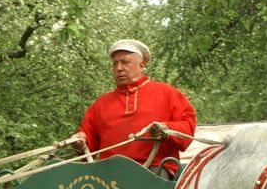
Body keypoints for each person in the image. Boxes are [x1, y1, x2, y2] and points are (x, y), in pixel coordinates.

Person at [73, 39, 196, 177]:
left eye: (125, 62)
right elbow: (87, 142)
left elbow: (187, 128)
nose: (118, 68)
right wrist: (80, 140)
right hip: (109, 175)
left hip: (154, 170)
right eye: (115, 64)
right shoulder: (100, 104)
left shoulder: (167, 93)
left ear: (141, 65)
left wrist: (165, 129)